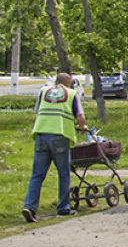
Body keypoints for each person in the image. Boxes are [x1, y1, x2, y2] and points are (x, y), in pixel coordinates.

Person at [22, 72, 86, 222]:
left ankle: (30, 207)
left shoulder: (44, 91)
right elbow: (80, 117)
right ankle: (63, 208)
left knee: (37, 174)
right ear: (69, 83)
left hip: (41, 134)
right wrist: (81, 127)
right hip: (60, 136)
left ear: (56, 81)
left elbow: (38, 110)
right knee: (63, 173)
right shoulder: (71, 94)